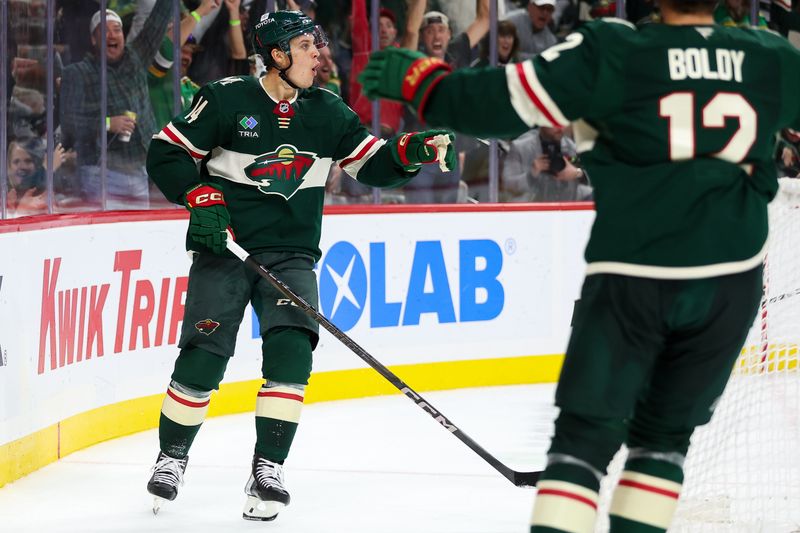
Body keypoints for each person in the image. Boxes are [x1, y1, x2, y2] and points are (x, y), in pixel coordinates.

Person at [358, 0, 800, 530]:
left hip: (635, 273)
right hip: (733, 281)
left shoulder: (613, 48)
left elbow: (497, 106)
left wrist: (423, 83)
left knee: (580, 447)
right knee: (663, 445)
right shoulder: (772, 57)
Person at [144, 10, 455, 521]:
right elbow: (166, 153)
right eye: (308, 46)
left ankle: (268, 468)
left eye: (318, 45)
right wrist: (198, 194)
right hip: (228, 249)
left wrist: (410, 149)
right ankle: (171, 458)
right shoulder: (225, 98)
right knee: (203, 355)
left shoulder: (326, 110)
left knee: (292, 356)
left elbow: (371, 162)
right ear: (279, 55)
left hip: (291, 255)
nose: (319, 54)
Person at [59, 1, 172, 209]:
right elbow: (68, 124)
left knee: (138, 238)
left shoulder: (137, 56)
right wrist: (107, 123)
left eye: (117, 30)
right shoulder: (78, 73)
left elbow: (158, 21)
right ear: (93, 40)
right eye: (104, 31)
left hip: (139, 171)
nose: (112, 35)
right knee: (104, 239)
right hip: (101, 175)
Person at [502, 126, 591, 202]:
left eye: (561, 121)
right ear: (542, 122)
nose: (559, 127)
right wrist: (531, 174)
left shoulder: (570, 146)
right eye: (552, 122)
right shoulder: (520, 147)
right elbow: (508, 185)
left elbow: (592, 180)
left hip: (567, 211)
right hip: (532, 213)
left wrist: (578, 173)